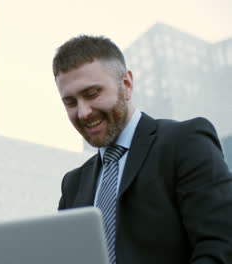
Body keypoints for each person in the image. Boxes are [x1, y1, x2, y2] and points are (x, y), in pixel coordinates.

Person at [53, 35, 232, 264]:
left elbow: (222, 246)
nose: (83, 112)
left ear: (126, 84)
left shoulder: (185, 142)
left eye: (92, 94)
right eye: (70, 102)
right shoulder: (73, 184)